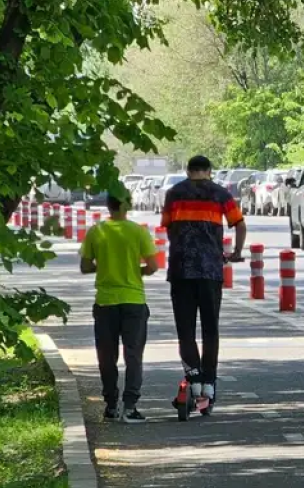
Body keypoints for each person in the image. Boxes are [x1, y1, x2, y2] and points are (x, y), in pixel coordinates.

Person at [162, 155, 246, 407]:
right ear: (209, 171)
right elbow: (239, 225)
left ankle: (193, 377)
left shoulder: (174, 194)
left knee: (185, 330)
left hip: (181, 271)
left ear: (187, 170)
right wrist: (236, 253)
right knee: (210, 329)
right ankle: (209, 382)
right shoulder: (220, 194)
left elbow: (167, 226)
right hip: (210, 271)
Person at [80, 194, 158, 423]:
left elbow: (85, 266)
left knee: (107, 355)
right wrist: (135, 272)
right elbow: (153, 266)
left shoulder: (96, 231)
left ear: (108, 206)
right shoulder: (138, 231)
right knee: (133, 354)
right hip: (133, 300)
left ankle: (111, 405)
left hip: (105, 302)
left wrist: (106, 267)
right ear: (127, 205)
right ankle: (131, 406)